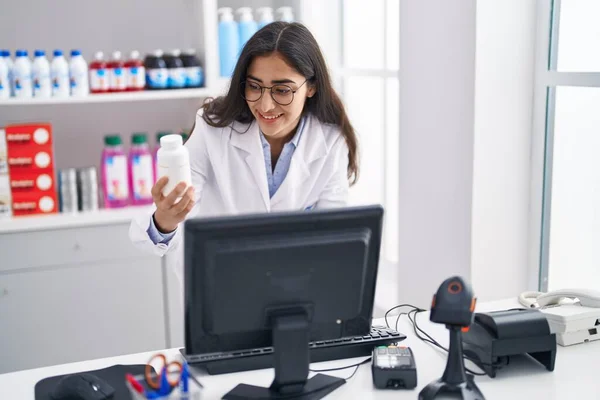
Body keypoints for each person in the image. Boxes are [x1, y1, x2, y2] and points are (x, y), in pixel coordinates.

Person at [129, 22, 359, 278]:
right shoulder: (212, 130)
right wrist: (166, 219)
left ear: (312, 87)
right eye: (254, 86)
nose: (266, 105)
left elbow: (335, 237)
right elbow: (173, 222)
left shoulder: (330, 141)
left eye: (282, 90)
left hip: (294, 287)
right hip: (221, 283)